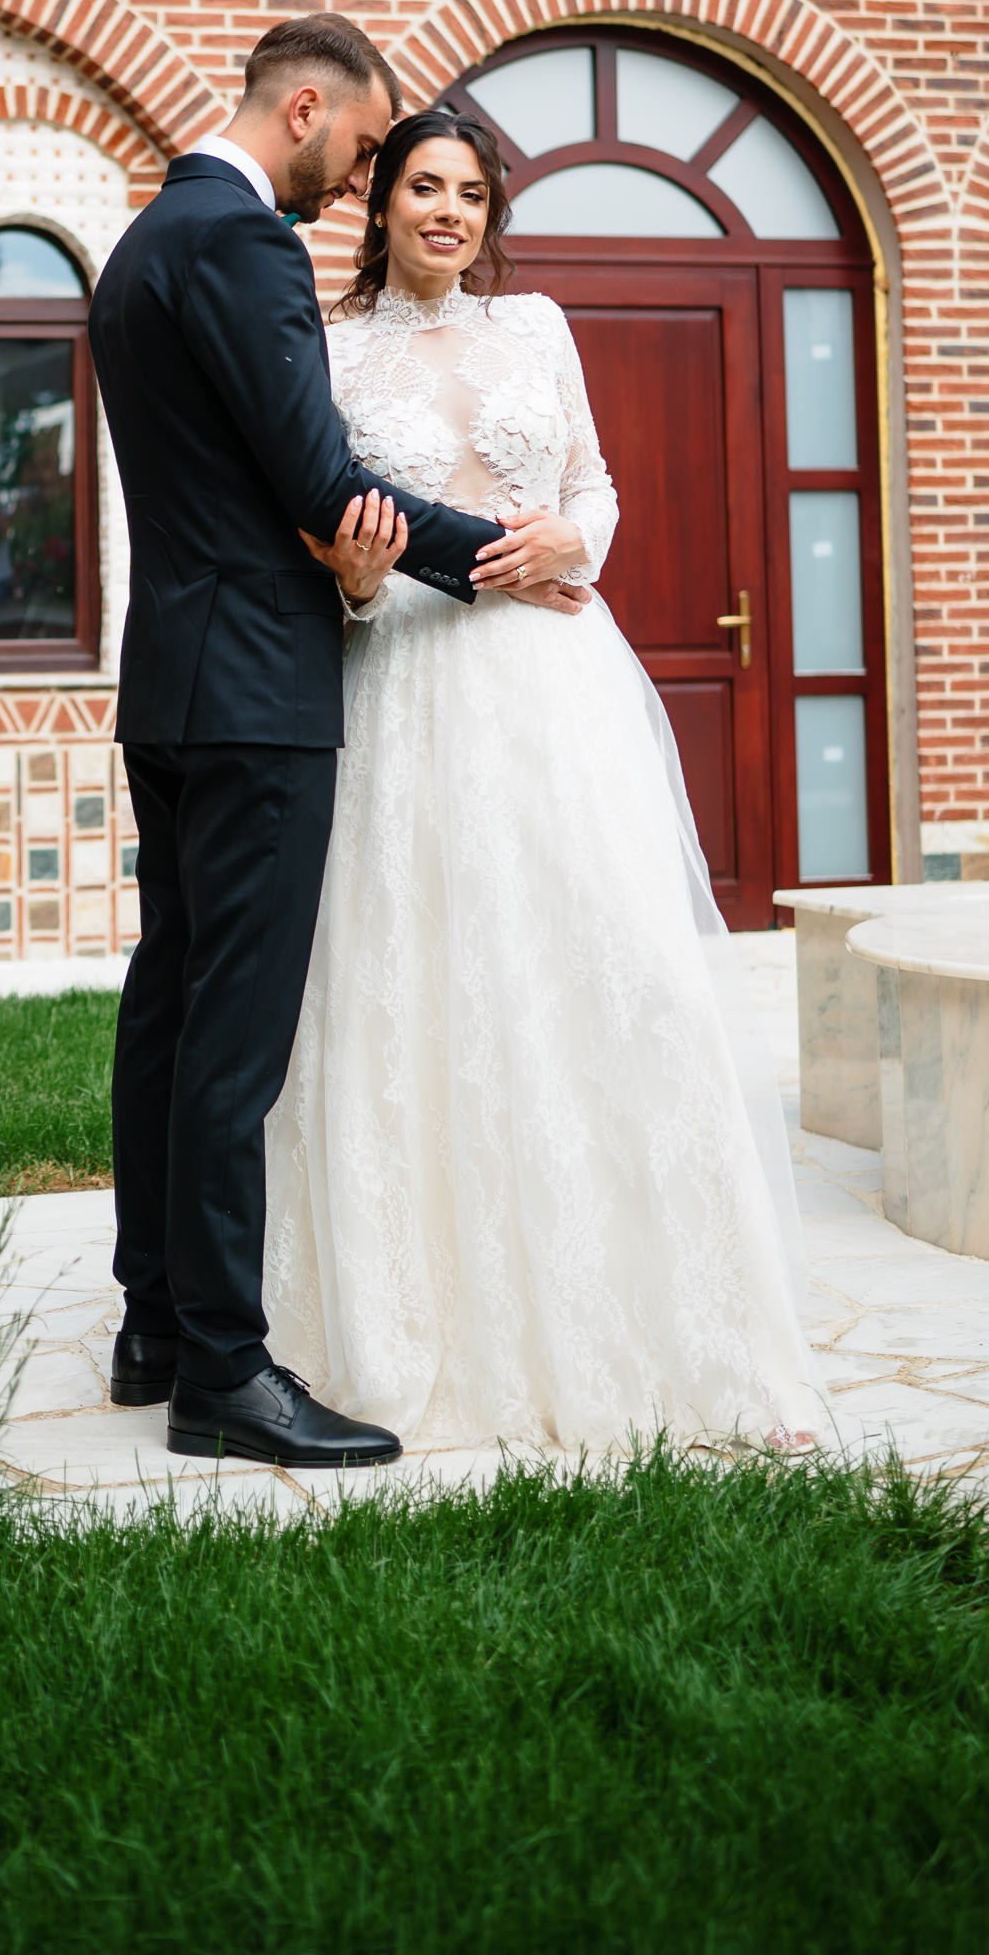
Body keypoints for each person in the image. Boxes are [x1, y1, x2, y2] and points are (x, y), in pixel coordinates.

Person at [262, 104, 825, 1453]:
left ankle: (680, 1328)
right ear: (381, 202)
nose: (449, 212)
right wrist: (349, 586)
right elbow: (327, 529)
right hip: (404, 684)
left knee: (608, 966)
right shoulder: (327, 354)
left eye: (471, 193)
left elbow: (600, 483)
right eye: (424, 188)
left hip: (553, 681)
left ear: (490, 214)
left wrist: (577, 539)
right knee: (421, 982)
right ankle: (417, 1326)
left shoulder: (543, 330)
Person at [88, 18, 584, 1467]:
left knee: (170, 1010)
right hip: (258, 694)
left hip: (174, 675)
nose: (360, 179)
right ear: (303, 107)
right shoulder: (242, 246)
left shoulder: (141, 245)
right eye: (363, 150)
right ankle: (228, 1378)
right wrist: (505, 554)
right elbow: (320, 479)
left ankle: (156, 1323)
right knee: (234, 1041)